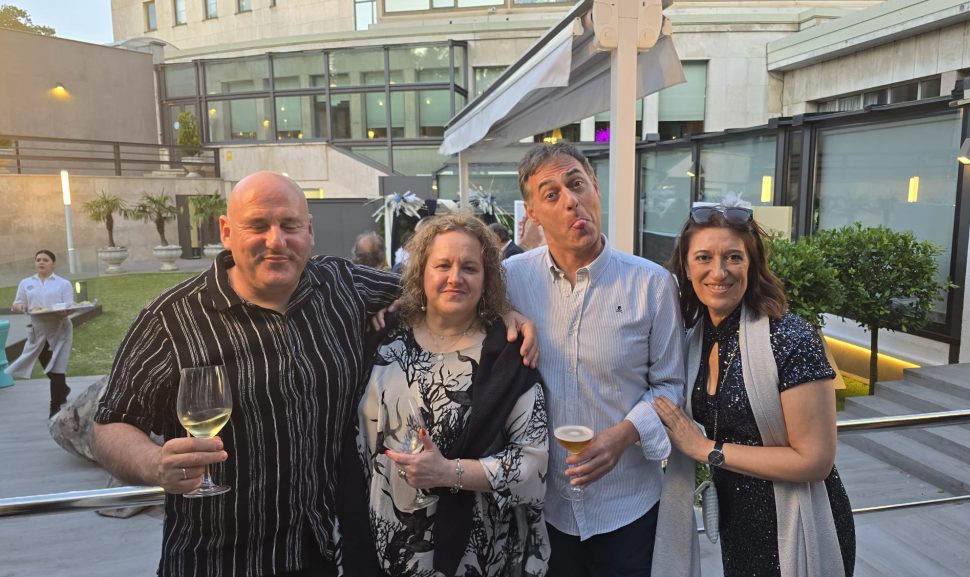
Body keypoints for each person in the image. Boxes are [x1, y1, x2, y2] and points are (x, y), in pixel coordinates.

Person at [92, 171, 403, 577]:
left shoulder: (342, 286)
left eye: (290, 225)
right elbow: (109, 425)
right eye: (257, 226)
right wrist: (154, 463)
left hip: (322, 552)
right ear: (226, 231)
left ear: (309, 231)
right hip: (215, 561)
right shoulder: (170, 320)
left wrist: (410, 304)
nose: (276, 241)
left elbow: (432, 287)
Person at [503, 143, 697, 577]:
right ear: (532, 213)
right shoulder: (511, 280)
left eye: (577, 184)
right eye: (551, 194)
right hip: (544, 507)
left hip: (627, 503)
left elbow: (670, 385)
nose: (571, 200)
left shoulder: (652, 284)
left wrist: (623, 436)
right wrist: (502, 311)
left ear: (595, 187)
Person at [654, 203, 855, 577]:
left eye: (734, 257)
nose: (719, 272)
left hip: (798, 524)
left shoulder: (791, 339)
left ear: (752, 265)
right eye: (704, 257)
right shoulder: (695, 338)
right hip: (738, 524)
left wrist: (706, 449)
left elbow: (815, 461)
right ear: (686, 267)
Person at [357, 212, 549, 577]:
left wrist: (449, 472)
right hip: (381, 546)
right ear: (421, 272)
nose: (455, 277)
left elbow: (533, 466)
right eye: (443, 265)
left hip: (472, 556)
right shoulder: (382, 335)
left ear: (486, 278)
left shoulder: (507, 354)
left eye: (470, 268)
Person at [6, 249, 74, 417]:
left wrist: (65, 311)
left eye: (45, 260)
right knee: (48, 368)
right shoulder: (26, 283)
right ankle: (63, 388)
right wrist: (20, 306)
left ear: (53, 263)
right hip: (37, 331)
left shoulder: (63, 283)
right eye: (38, 260)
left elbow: (70, 305)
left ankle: (55, 408)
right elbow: (17, 303)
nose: (41, 262)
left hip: (60, 329)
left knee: (56, 367)